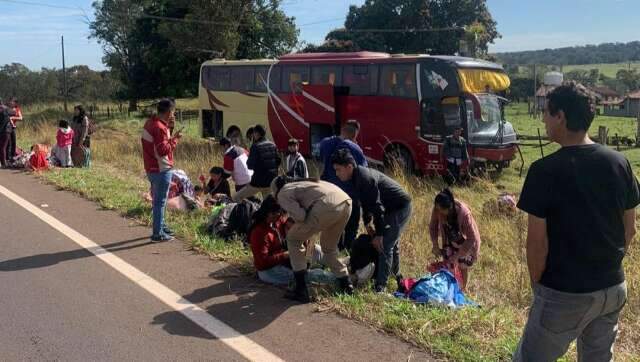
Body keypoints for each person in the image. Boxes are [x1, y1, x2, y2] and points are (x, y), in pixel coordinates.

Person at [513, 82, 640, 361]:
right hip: (612, 289)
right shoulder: (620, 163)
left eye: (547, 112)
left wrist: (540, 290)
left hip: (565, 293)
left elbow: (536, 245)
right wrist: (606, 266)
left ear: (561, 116)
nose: (543, 119)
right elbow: (629, 229)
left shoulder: (544, 171)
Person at [332, 149, 412, 293]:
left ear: (349, 167)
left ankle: (380, 287)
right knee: (390, 243)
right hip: (388, 208)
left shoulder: (364, 178)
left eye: (338, 170)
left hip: (400, 207)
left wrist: (380, 234)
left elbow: (377, 207)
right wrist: (368, 223)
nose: (337, 174)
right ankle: (396, 275)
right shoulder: (356, 178)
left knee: (385, 245)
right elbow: (366, 203)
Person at [271, 176, 354, 303]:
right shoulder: (306, 182)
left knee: (293, 239)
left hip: (326, 206)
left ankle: (301, 289)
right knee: (329, 248)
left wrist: (295, 223)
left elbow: (301, 215)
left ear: (275, 191)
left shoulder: (282, 192)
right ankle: (347, 285)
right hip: (346, 203)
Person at [319, 120, 368, 250]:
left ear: (342, 130)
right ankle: (348, 256)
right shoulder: (355, 148)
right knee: (351, 230)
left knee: (335, 228)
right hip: (351, 197)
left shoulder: (327, 143)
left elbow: (320, 151)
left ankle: (335, 254)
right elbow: (364, 172)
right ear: (355, 135)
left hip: (331, 196)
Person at [141, 99, 181, 242]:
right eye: (173, 112)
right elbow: (163, 150)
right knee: (160, 202)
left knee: (158, 201)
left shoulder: (150, 123)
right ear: (169, 111)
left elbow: (157, 145)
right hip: (161, 169)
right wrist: (175, 139)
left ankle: (161, 226)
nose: (173, 115)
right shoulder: (160, 127)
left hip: (151, 168)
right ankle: (157, 234)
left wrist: (170, 130)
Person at [428, 189, 481, 290]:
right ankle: (449, 287)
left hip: (467, 242)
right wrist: (435, 244)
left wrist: (457, 256)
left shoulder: (464, 213)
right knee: (448, 262)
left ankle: (462, 289)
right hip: (450, 239)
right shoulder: (437, 209)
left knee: (462, 265)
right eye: (437, 209)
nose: (439, 213)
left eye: (442, 211)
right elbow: (433, 226)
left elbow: (471, 238)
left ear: (450, 207)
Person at [248, 195, 292, 285]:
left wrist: (291, 225)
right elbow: (263, 262)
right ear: (269, 213)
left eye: (281, 213)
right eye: (278, 213)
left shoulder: (277, 221)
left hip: (282, 262)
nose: (280, 215)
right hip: (269, 271)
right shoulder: (259, 232)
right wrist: (284, 255)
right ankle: (328, 277)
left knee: (316, 249)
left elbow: (285, 224)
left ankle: (328, 263)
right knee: (304, 276)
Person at [234, 124, 281, 202]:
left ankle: (244, 213)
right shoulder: (273, 145)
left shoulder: (255, 146)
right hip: (272, 181)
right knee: (267, 204)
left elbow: (250, 166)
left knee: (236, 197)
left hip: (258, 182)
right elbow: (278, 161)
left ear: (256, 133)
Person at [6, 97, 22, 163]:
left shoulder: (17, 109)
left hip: (13, 127)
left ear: (15, 102)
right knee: (8, 142)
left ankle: (13, 156)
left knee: (14, 141)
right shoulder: (7, 109)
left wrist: (12, 117)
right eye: (10, 101)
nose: (10, 102)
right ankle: (7, 157)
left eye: (12, 101)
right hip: (7, 127)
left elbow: (21, 118)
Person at [0, 100, 15, 168]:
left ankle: (3, 162)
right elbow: (14, 113)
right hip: (7, 130)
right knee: (4, 146)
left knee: (2, 147)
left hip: (2, 130)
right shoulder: (6, 108)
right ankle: (4, 163)